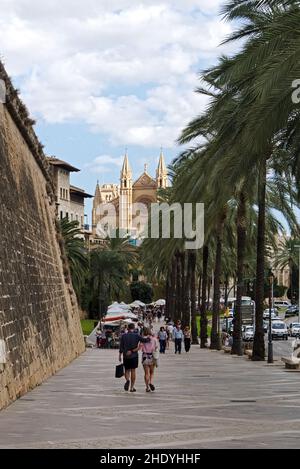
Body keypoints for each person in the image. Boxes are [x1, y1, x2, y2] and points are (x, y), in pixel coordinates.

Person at [119, 323, 150, 392]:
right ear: (134, 328)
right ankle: (132, 387)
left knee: (127, 370)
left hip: (125, 356)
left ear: (127, 328)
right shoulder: (137, 335)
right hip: (134, 356)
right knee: (133, 370)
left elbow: (121, 346)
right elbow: (145, 340)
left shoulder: (123, 336)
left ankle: (127, 380)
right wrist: (149, 337)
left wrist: (120, 355)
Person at [140, 327, 158, 392]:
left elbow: (140, 347)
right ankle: (150, 382)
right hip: (152, 356)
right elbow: (156, 347)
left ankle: (147, 387)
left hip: (145, 356)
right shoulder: (154, 339)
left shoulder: (143, 339)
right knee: (152, 372)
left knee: (146, 373)